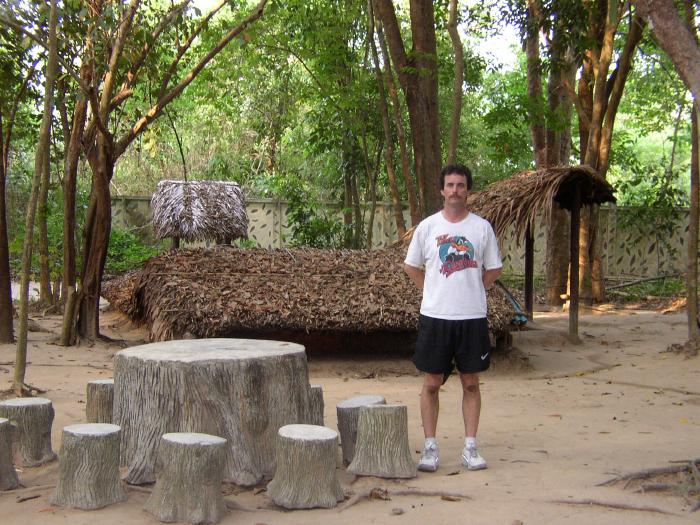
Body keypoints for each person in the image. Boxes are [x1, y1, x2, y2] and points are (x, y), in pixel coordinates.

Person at [404, 164, 502, 472]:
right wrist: (432, 291)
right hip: (435, 316)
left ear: (467, 190)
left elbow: (494, 268)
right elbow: (412, 266)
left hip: (472, 317)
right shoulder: (428, 227)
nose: (455, 190)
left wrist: (473, 289)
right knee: (432, 381)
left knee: (471, 382)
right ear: (442, 190)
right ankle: (430, 447)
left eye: (461, 185)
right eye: (450, 185)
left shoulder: (481, 228)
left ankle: (470, 447)